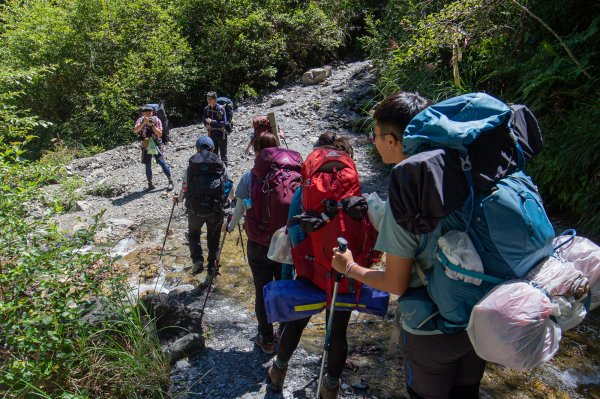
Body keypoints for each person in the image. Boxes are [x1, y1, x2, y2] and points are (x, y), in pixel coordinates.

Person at [330, 92, 486, 399]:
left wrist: (349, 266)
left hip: (432, 331)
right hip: (479, 320)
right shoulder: (463, 170)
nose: (372, 142)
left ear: (392, 139)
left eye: (373, 135)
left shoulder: (406, 195)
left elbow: (395, 283)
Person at [267, 132, 357, 399]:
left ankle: (278, 373)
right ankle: (330, 388)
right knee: (338, 332)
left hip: (310, 272)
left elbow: (293, 230)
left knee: (296, 323)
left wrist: (298, 266)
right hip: (343, 270)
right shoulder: (351, 183)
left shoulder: (305, 188)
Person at [227, 133, 302, 355]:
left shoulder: (250, 177)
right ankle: (284, 332)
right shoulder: (294, 174)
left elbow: (240, 209)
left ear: (256, 152)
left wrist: (230, 227)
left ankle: (266, 339)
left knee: (262, 289)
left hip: (259, 243)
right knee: (283, 286)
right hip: (287, 242)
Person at [174, 135, 232, 276]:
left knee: (194, 234)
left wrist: (179, 199)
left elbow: (185, 187)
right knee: (214, 237)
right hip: (215, 209)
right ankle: (213, 265)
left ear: (197, 148)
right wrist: (232, 200)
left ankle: (197, 261)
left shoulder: (191, 165)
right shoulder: (219, 164)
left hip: (195, 209)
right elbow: (229, 184)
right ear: (212, 148)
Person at [134, 104, 174, 191]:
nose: (148, 114)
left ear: (152, 112)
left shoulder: (157, 120)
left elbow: (160, 134)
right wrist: (143, 123)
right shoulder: (140, 120)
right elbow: (135, 130)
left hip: (156, 143)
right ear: (143, 113)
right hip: (146, 143)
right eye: (146, 112)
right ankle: (150, 184)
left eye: (149, 112)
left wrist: (152, 125)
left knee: (161, 162)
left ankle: (170, 181)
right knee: (147, 165)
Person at [203, 91, 229, 165]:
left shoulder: (221, 109)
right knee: (214, 153)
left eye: (210, 99)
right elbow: (204, 120)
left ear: (215, 100)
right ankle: (216, 171)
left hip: (221, 133)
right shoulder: (206, 109)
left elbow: (223, 122)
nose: (209, 101)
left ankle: (225, 172)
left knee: (223, 154)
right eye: (208, 99)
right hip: (211, 134)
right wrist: (206, 125)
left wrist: (212, 121)